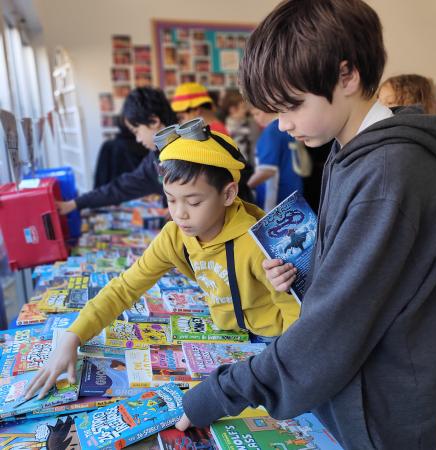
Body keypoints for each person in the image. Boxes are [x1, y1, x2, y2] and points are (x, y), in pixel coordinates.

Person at [172, 1, 436, 449]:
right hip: (351, 392)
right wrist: (308, 275)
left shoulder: (388, 175)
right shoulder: (349, 151)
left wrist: (215, 394)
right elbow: (369, 280)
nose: (283, 125)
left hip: (379, 411)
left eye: (292, 106)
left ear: (346, 75)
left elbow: (332, 332)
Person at [25, 120, 301, 401]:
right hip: (230, 338)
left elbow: (299, 323)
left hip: (274, 344)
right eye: (171, 200)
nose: (180, 214)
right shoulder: (175, 236)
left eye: (193, 202)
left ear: (228, 194)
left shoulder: (258, 241)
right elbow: (124, 288)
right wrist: (73, 336)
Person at [57, 87, 177, 215]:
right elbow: (120, 187)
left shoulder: (187, 150)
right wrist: (75, 203)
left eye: (137, 131)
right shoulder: (154, 158)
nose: (138, 139)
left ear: (154, 121)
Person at [248, 108, 302, 211]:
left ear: (266, 109)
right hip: (293, 189)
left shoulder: (271, 132)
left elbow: (267, 171)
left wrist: (245, 187)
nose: (255, 118)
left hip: (275, 199)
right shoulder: (285, 128)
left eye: (257, 114)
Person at [93, 119, 148, 188]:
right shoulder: (146, 145)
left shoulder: (109, 145)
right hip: (142, 192)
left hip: (114, 192)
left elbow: (101, 176)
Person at [221, 89, 260, 166]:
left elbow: (256, 147)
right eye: (243, 107)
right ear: (232, 109)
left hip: (251, 167)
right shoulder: (223, 127)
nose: (246, 110)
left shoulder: (252, 123)